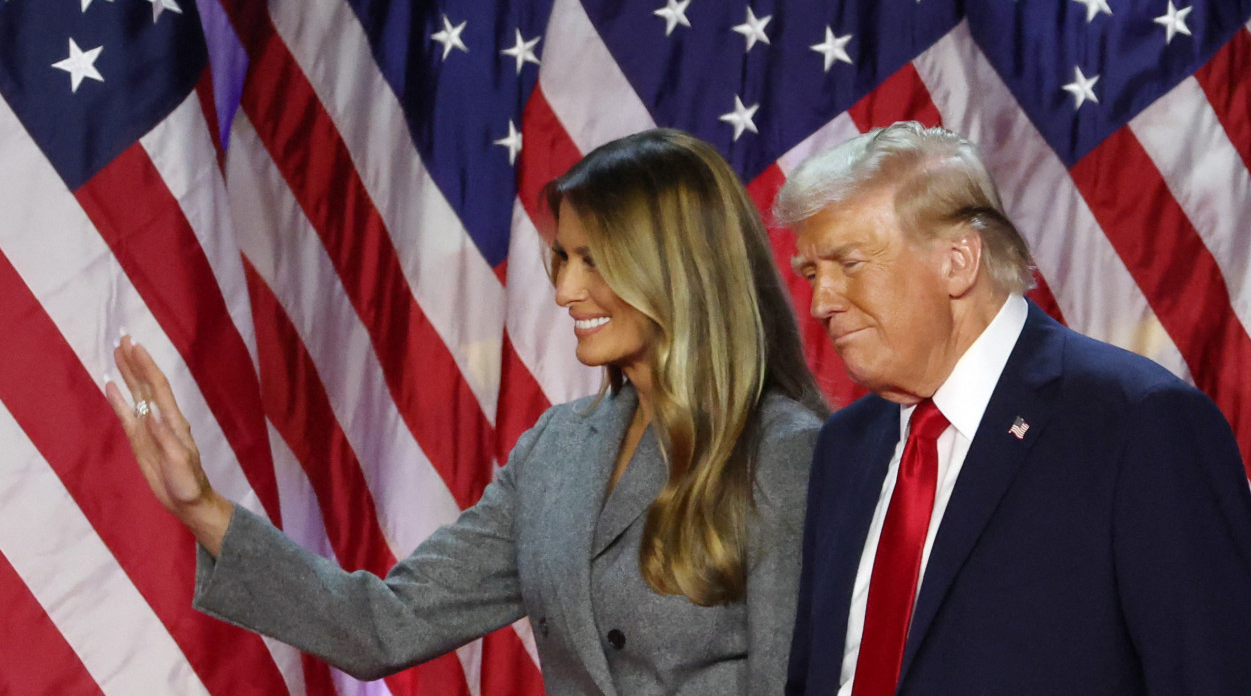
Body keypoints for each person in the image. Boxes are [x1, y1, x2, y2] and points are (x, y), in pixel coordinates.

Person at [106, 127, 826, 696]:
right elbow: (383, 624)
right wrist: (200, 505)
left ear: (677, 267)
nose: (566, 291)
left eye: (593, 260)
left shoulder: (787, 453)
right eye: (562, 260)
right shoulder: (557, 451)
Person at [777, 121, 1251, 696]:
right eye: (812, 274)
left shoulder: (1136, 424)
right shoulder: (845, 445)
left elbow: (1216, 676)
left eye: (850, 264)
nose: (820, 302)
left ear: (959, 261)